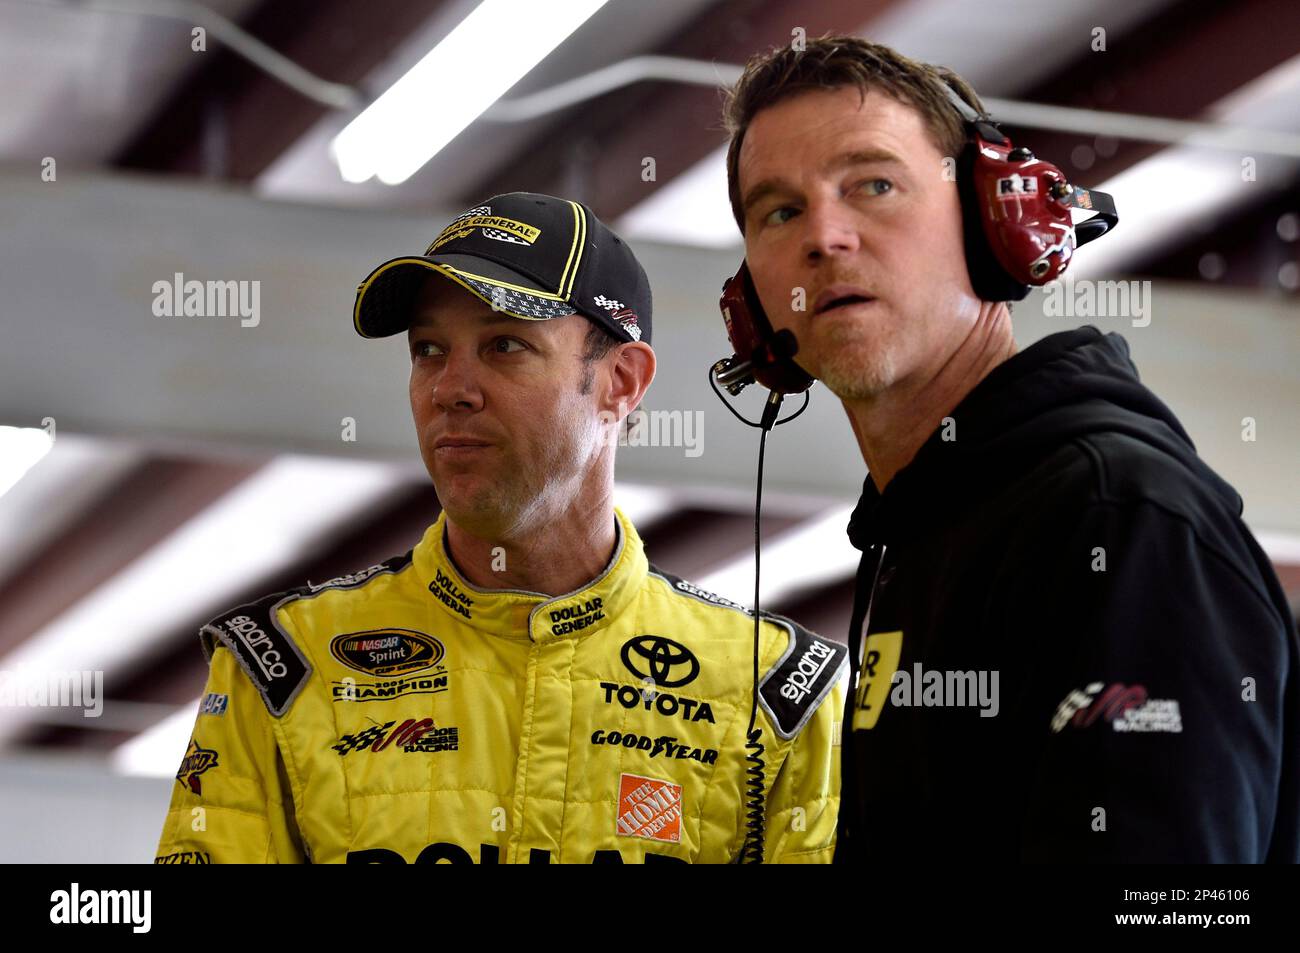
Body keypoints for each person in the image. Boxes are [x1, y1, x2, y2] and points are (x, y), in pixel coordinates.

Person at [722, 36, 1299, 862]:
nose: (826, 237)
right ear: (749, 300)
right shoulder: (916, 532)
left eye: (874, 185)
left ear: (997, 221)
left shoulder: (1116, 519)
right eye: (779, 210)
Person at [153, 191, 846, 864]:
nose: (450, 388)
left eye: (505, 345)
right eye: (428, 349)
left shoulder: (778, 692)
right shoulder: (284, 667)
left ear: (622, 383)